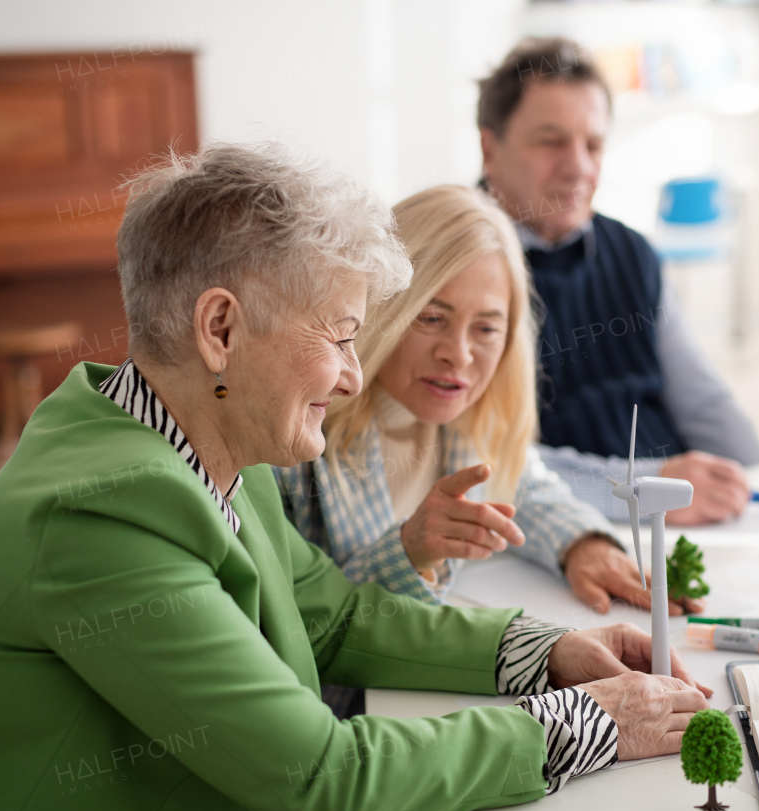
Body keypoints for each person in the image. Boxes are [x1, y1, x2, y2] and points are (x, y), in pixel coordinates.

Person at [0, 145, 713, 811]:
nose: (354, 373)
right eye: (340, 335)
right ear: (222, 330)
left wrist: (550, 653)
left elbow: (335, 618)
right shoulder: (102, 516)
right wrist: (586, 722)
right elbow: (324, 776)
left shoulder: (212, 442)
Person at [275, 185, 703, 616]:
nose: (458, 354)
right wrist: (408, 552)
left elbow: (527, 489)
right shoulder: (293, 440)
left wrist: (584, 546)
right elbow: (296, 619)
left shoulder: (473, 419)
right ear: (378, 309)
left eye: (486, 328)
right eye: (432, 318)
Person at [477, 37, 759, 526]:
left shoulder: (633, 252)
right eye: (551, 141)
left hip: (673, 518)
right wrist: (647, 488)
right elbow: (479, 460)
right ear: (490, 148)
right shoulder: (456, 263)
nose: (580, 167)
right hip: (557, 529)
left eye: (593, 144)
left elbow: (703, 402)